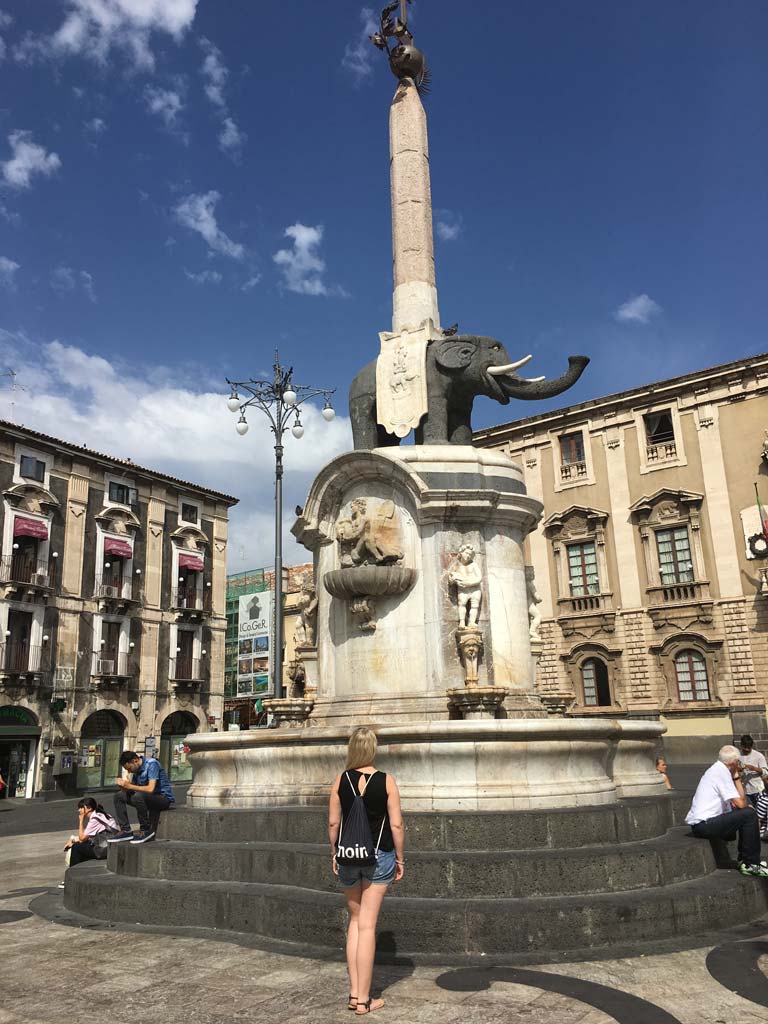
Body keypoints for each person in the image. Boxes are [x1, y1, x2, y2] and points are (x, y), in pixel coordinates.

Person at [328, 727, 405, 1016]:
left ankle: (353, 994)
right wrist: (401, 858)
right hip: (379, 855)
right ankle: (364, 1000)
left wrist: (334, 852)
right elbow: (396, 825)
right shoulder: (386, 781)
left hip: (348, 856)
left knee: (355, 921)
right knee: (368, 926)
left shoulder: (340, 781)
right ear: (372, 749)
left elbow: (334, 824)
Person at [685, 744, 768, 877]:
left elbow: (742, 801)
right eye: (739, 762)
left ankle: (745, 860)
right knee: (749, 814)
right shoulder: (721, 773)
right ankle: (751, 863)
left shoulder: (718, 769)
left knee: (748, 811)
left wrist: (735, 776)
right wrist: (736, 776)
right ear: (735, 762)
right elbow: (742, 804)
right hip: (703, 825)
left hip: (705, 822)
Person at [107, 750, 174, 845]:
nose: (129, 771)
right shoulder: (136, 770)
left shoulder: (152, 764)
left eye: (129, 768)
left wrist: (130, 786)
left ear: (135, 760)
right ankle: (126, 830)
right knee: (119, 796)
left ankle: (146, 829)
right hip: (145, 797)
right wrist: (124, 787)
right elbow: (134, 788)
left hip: (162, 798)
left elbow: (150, 789)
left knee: (138, 795)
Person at [59, 798, 119, 887]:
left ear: (89, 808)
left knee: (77, 847)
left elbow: (82, 838)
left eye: (81, 807)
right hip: (109, 846)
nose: (79, 810)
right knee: (80, 846)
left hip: (103, 850)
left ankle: (71, 879)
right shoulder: (100, 815)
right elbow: (89, 836)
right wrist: (73, 840)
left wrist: (80, 821)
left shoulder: (95, 818)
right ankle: (80, 877)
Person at [738, 734, 768, 808]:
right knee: (750, 812)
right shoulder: (738, 755)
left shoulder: (758, 756)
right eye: (745, 747)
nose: (747, 750)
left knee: (761, 810)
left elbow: (765, 772)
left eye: (749, 748)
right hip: (746, 790)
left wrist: (754, 768)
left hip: (758, 789)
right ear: (741, 745)